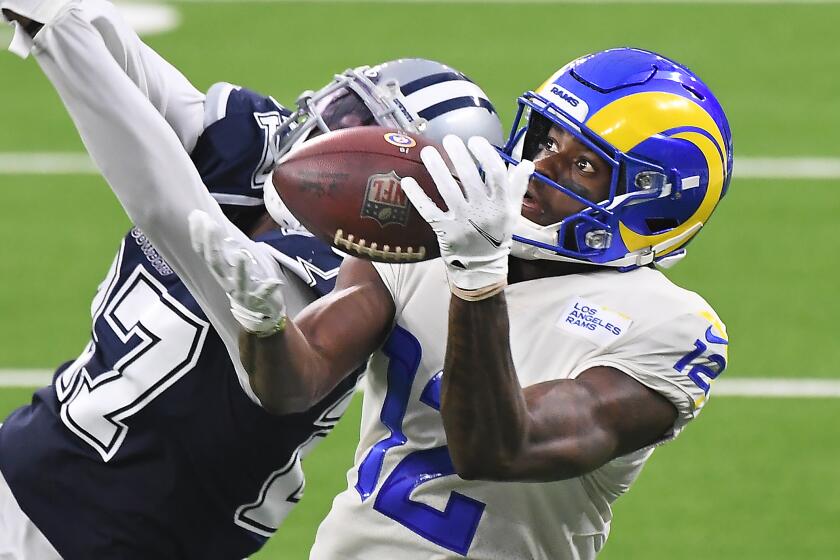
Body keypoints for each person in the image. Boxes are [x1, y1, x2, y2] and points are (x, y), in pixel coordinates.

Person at [0, 1, 503, 558]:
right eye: (344, 107)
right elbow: (141, 76)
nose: (326, 128)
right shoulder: (259, 155)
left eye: (361, 129)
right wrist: (67, 10)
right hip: (25, 462)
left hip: (121, 537)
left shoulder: (346, 281)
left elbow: (169, 208)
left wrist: (61, 33)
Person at [189, 48, 733, 558]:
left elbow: (498, 449)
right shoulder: (435, 230)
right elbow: (294, 386)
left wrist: (477, 280)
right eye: (546, 141)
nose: (539, 170)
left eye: (584, 166)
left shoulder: (669, 326)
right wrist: (262, 323)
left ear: (653, 208)